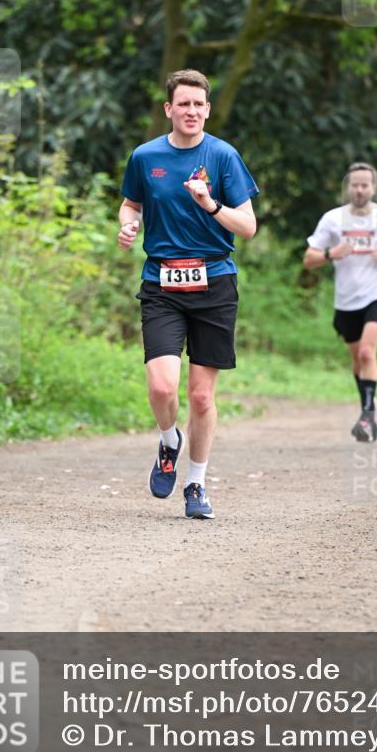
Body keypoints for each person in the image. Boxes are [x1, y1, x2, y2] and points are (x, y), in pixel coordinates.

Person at [118, 69, 259, 519]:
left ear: (208, 110)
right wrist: (128, 223)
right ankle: (167, 440)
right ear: (169, 109)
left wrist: (211, 205)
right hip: (161, 282)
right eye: (184, 104)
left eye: (199, 105)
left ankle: (196, 484)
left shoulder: (223, 157)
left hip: (215, 282)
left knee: (201, 397)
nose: (191, 112)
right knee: (162, 387)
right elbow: (130, 202)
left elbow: (248, 226)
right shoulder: (145, 157)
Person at [303, 162, 377, 442]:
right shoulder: (333, 219)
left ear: (373, 187)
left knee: (368, 352)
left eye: (364, 184)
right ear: (348, 187)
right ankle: (369, 404)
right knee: (357, 359)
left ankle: (367, 417)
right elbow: (309, 259)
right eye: (354, 184)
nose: (359, 189)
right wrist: (333, 253)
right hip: (346, 300)